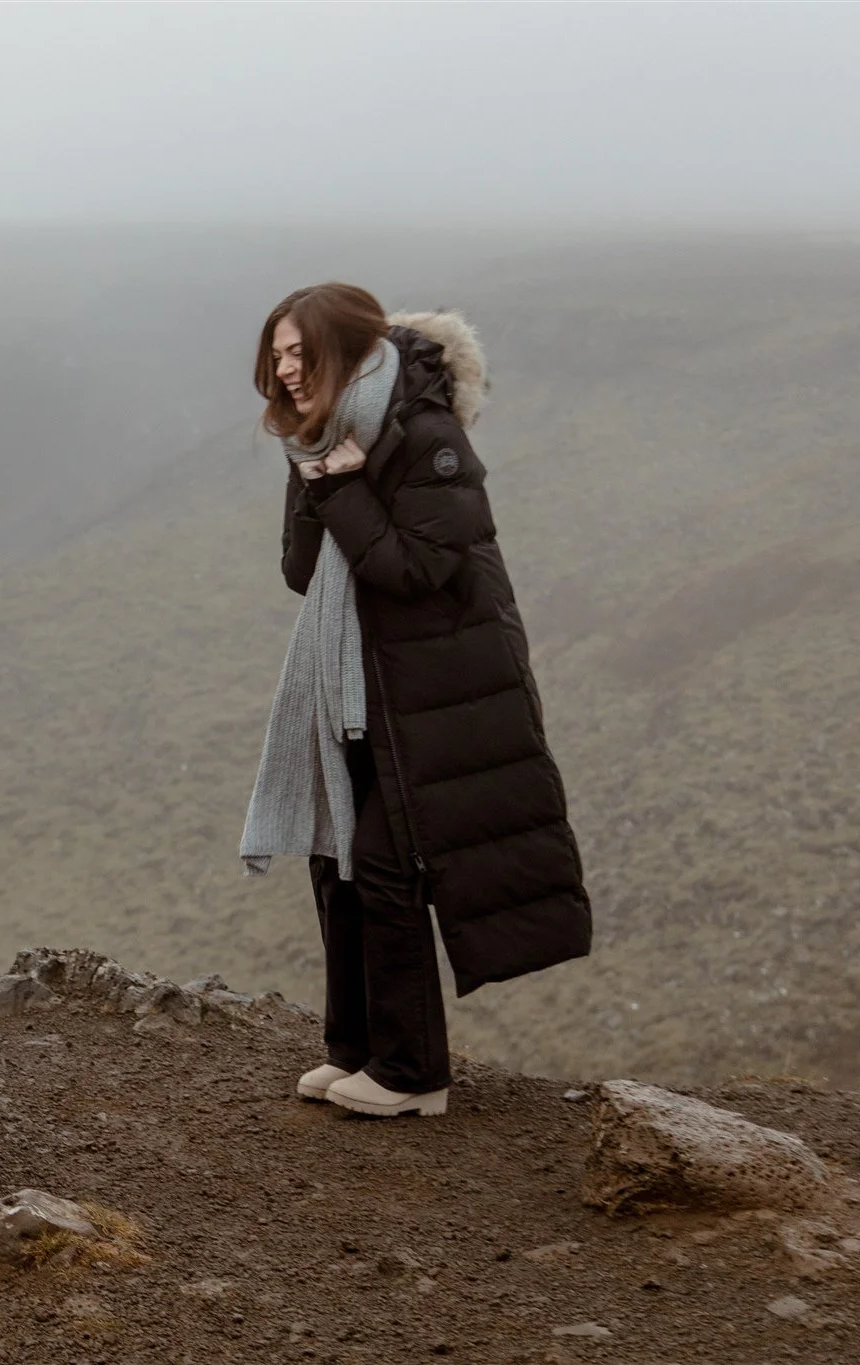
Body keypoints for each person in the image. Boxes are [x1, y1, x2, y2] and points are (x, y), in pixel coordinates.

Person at [240, 283, 591, 1118]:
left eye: (300, 353)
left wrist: (342, 490)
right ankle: (355, 1050)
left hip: (443, 692)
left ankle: (411, 1074)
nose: (286, 370)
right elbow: (302, 572)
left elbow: (415, 570)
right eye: (277, 355)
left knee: (386, 865)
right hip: (363, 689)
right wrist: (318, 476)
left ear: (346, 348)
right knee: (336, 857)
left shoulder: (428, 437)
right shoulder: (326, 440)